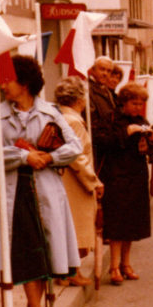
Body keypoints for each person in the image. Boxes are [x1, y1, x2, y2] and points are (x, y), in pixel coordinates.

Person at [1, 55, 82, 307]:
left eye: (8, 80)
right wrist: (24, 156)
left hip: (45, 191)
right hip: (14, 193)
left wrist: (49, 157)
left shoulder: (50, 113)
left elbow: (75, 146)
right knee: (27, 252)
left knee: (45, 251)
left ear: (24, 84)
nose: (3, 85)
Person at [101, 82, 153, 284]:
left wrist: (151, 141)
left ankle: (126, 264)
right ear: (124, 102)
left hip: (137, 175)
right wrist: (126, 132)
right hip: (116, 175)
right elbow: (104, 143)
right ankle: (114, 267)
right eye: (134, 103)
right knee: (117, 223)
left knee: (133, 222)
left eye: (141, 104)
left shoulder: (142, 120)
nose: (138, 107)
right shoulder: (112, 118)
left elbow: (152, 151)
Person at [55, 76, 104, 287]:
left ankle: (68, 271)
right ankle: (70, 272)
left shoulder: (61, 117)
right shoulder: (73, 121)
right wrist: (93, 181)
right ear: (79, 99)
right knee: (77, 227)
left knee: (71, 226)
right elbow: (77, 156)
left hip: (67, 178)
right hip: (75, 181)